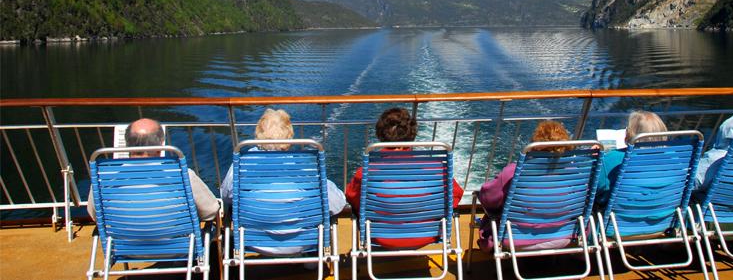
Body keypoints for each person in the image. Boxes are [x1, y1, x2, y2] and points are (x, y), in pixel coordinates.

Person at [219, 109, 347, 254]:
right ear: (289, 136)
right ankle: (312, 261)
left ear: (258, 134)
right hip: (303, 242)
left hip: (252, 240)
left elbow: (226, 195)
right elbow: (336, 203)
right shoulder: (305, 168)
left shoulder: (241, 164)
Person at [345, 107, 464, 249]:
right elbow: (455, 195)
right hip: (427, 234)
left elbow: (352, 196)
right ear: (412, 134)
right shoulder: (437, 169)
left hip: (380, 236)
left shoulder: (366, 171)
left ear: (380, 135)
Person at [87, 118, 220, 222]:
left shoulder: (102, 180)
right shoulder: (183, 177)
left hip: (124, 251)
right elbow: (211, 212)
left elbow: (95, 215)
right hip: (178, 250)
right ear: (160, 145)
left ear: (127, 144)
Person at [477, 120, 576, 251]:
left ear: (534, 145)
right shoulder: (575, 173)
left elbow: (488, 198)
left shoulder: (514, 171)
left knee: (492, 214)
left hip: (516, 240)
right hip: (565, 237)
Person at [595, 111, 668, 205]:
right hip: (664, 214)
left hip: (621, 216)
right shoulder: (677, 159)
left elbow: (595, 189)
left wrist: (593, 159)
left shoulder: (611, 159)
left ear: (629, 134)